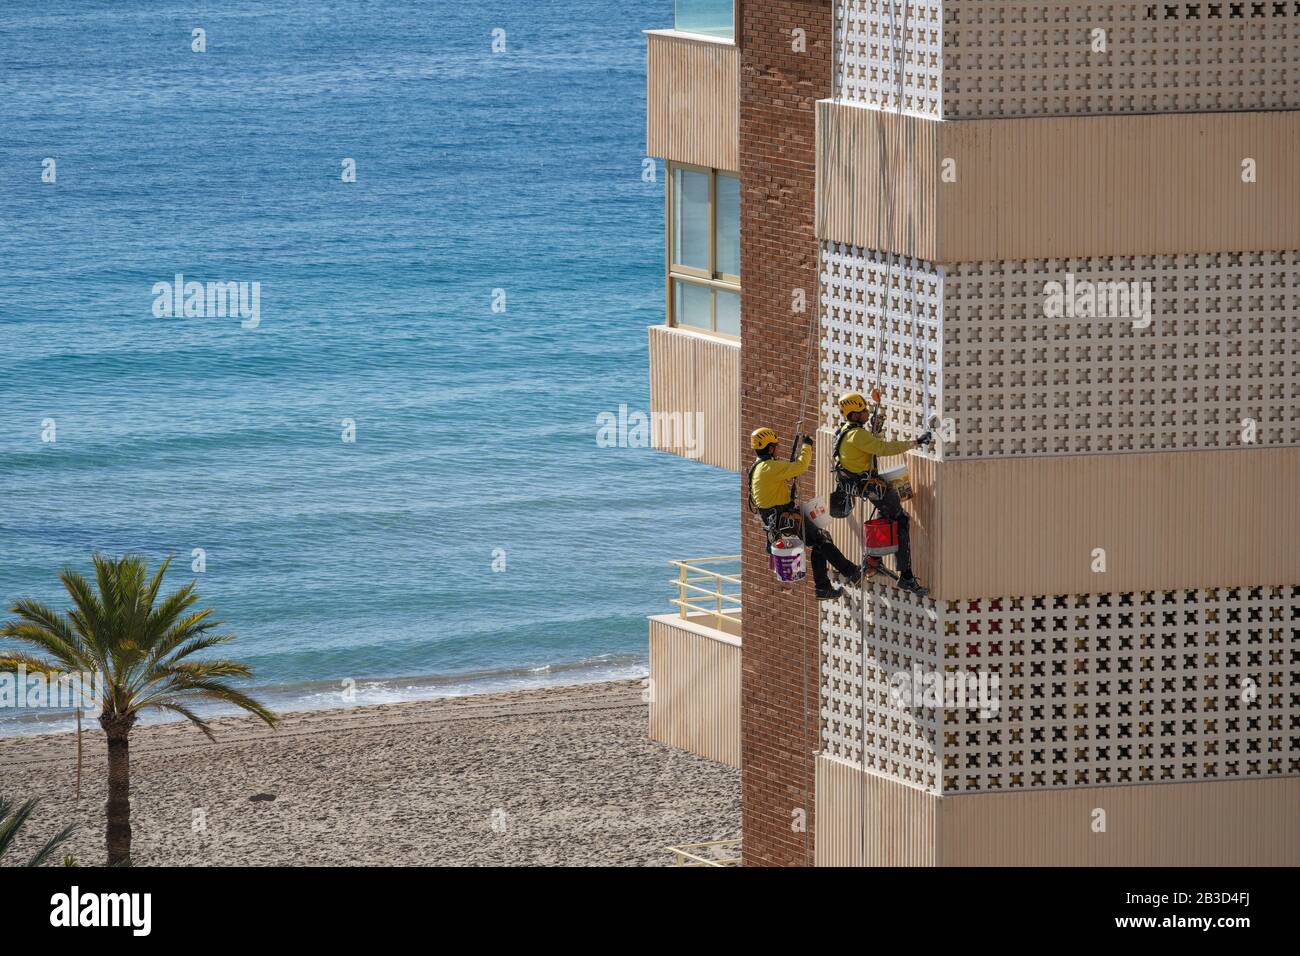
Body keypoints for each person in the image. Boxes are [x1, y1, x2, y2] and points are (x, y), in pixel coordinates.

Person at [832, 392, 931, 596]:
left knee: (885, 515)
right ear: (855, 414)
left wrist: (874, 432)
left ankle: (873, 560)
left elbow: (868, 449)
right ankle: (906, 576)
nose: (867, 412)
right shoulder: (857, 435)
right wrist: (915, 442)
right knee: (901, 520)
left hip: (861, 484)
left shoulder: (845, 431)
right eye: (863, 411)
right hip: (870, 486)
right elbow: (883, 448)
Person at [749, 427, 860, 601]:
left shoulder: (757, 468)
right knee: (821, 540)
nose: (777, 449)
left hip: (778, 518)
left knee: (819, 542)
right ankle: (850, 572)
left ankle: (823, 588)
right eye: (776, 447)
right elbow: (801, 466)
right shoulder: (769, 467)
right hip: (784, 518)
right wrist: (807, 446)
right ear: (770, 448)